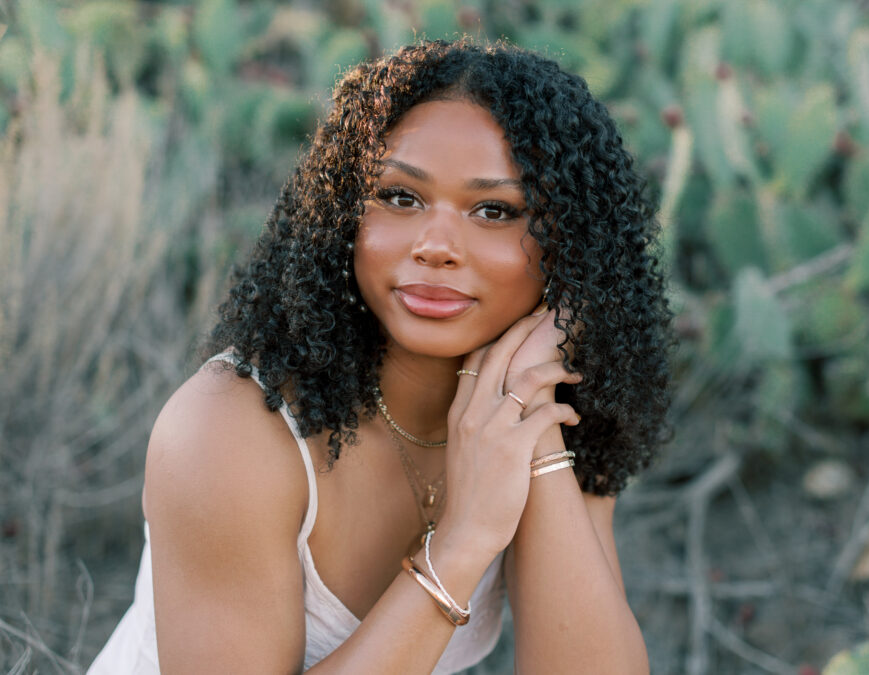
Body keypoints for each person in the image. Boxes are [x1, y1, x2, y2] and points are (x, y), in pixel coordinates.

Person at [89, 38, 670, 674]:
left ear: (572, 249)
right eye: (400, 197)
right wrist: (463, 538)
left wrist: (533, 425)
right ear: (341, 212)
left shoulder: (558, 412)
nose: (436, 245)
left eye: (495, 210)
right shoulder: (229, 430)